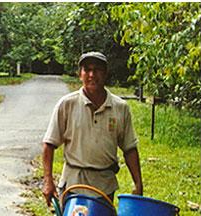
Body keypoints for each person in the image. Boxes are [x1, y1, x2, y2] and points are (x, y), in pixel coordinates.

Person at [42, 51, 142, 206]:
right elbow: (49, 144)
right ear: (80, 74)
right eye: (87, 70)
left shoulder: (120, 108)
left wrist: (138, 184)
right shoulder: (67, 104)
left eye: (97, 70)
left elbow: (129, 149)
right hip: (73, 184)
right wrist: (48, 181)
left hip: (104, 186)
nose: (92, 74)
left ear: (106, 73)